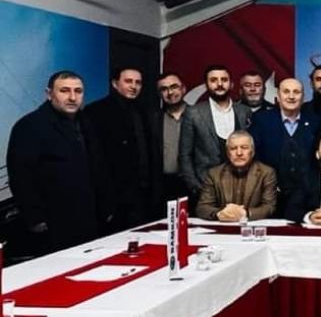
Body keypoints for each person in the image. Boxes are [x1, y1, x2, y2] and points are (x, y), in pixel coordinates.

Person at [7, 71, 113, 256]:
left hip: (90, 219)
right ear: (49, 94)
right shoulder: (29, 126)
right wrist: (36, 219)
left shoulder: (87, 122)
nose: (72, 97)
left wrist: (106, 207)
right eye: (64, 90)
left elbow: (99, 168)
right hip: (53, 224)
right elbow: (20, 177)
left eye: (78, 91)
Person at [84, 67, 158, 230]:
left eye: (138, 82)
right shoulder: (95, 111)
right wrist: (105, 201)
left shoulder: (143, 111)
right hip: (113, 198)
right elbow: (94, 159)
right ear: (115, 83)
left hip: (143, 194)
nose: (133, 86)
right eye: (128, 81)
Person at [248, 78, 320, 215]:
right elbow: (253, 156)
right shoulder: (261, 120)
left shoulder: (315, 121)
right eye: (286, 91)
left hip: (307, 197)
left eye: (296, 92)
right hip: (269, 196)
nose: (291, 96)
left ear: (303, 96)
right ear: (278, 96)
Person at [179, 65, 252, 196]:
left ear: (231, 84)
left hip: (241, 188)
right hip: (206, 188)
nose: (219, 84)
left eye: (224, 80)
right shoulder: (193, 113)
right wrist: (196, 187)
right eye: (213, 80)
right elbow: (185, 155)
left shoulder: (244, 111)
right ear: (206, 85)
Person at [195, 130, 277, 221]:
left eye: (244, 148)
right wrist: (219, 213)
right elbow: (202, 207)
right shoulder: (214, 174)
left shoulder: (266, 173)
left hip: (251, 227)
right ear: (227, 153)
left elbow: (269, 207)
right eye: (233, 148)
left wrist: (244, 213)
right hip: (224, 226)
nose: (239, 153)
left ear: (252, 151)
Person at [155, 72, 189, 202]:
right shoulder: (153, 120)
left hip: (193, 185)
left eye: (174, 87)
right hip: (164, 186)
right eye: (164, 89)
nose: (170, 92)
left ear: (183, 89)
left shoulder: (199, 115)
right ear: (159, 94)